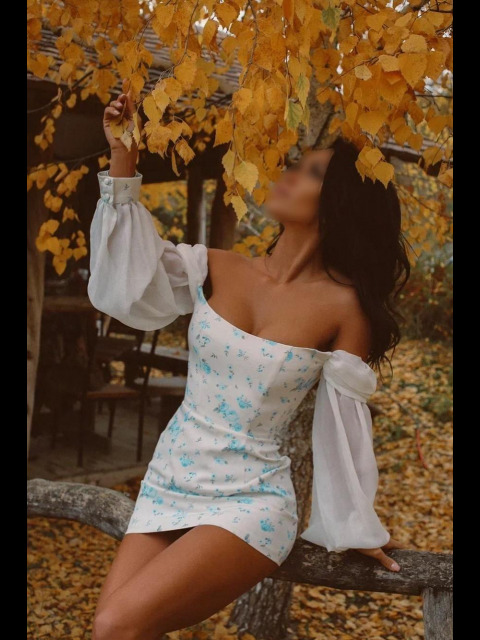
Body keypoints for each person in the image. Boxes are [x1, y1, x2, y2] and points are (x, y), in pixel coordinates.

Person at [89, 92, 408, 640]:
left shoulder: (345, 309)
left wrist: (356, 524)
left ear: (339, 203)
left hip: (251, 501)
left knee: (117, 624)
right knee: (107, 629)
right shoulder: (215, 267)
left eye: (310, 172)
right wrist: (123, 156)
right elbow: (124, 285)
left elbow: (343, 427)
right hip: (169, 479)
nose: (288, 175)